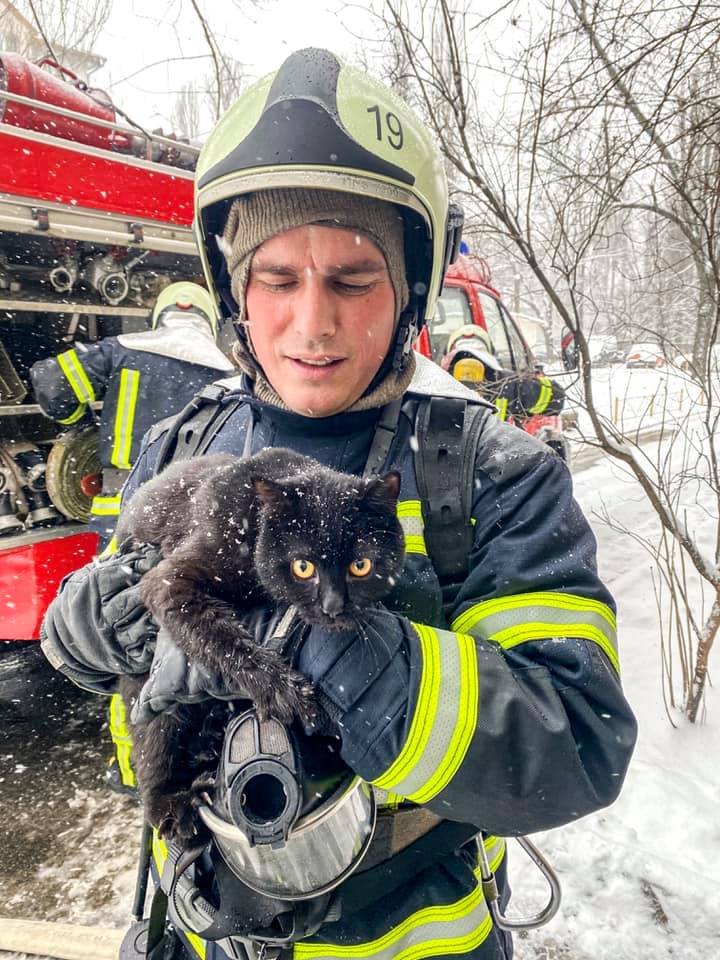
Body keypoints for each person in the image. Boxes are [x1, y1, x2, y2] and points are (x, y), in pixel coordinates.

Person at [40, 48, 637, 960]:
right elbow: (129, 675)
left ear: (408, 293)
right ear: (235, 293)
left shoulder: (490, 476)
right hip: (192, 932)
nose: (312, 322)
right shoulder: (184, 442)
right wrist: (82, 634)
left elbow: (577, 747)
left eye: (353, 279)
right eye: (278, 279)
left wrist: (315, 649)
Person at [29, 281, 234, 546]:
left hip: (123, 510)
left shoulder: (121, 350)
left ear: (158, 316)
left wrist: (81, 423)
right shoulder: (229, 377)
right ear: (211, 323)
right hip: (191, 522)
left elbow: (52, 384)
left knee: (116, 573)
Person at [441, 325, 566, 423]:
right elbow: (557, 397)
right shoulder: (506, 383)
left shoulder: (435, 382)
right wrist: (521, 388)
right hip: (490, 447)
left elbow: (556, 397)